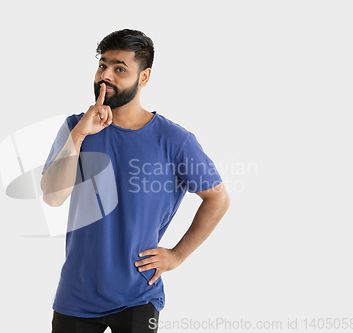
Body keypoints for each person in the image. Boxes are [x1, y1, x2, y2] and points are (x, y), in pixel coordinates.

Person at [40, 29, 230, 333]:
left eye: (120, 69)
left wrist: (176, 255)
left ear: (144, 77)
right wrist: (79, 135)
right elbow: (52, 196)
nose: (106, 76)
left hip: (138, 294)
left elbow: (218, 198)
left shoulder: (174, 140)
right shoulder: (76, 127)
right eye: (103, 65)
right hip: (76, 293)